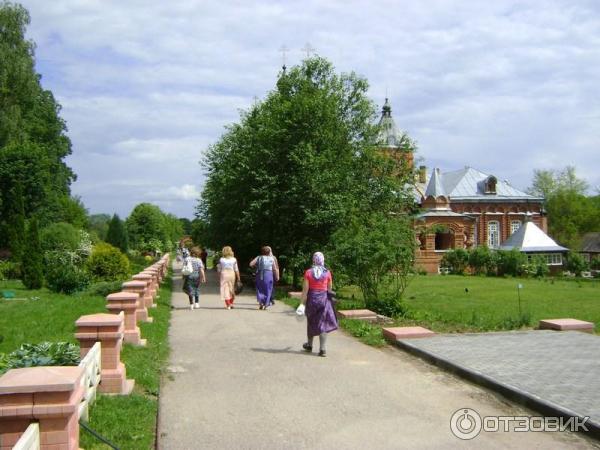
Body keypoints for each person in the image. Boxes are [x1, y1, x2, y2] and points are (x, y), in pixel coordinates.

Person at [300, 251, 338, 357]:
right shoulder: (327, 273)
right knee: (323, 324)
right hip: (324, 300)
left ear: (313, 260)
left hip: (312, 300)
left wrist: (301, 304)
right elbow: (329, 290)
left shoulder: (308, 272)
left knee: (311, 321)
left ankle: (309, 345)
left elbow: (305, 291)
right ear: (323, 260)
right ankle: (322, 349)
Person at [250, 246, 279, 310]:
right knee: (268, 289)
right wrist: (277, 276)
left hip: (260, 275)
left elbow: (251, 264)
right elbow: (274, 269)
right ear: (269, 252)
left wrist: (257, 266)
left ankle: (261, 303)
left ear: (262, 252)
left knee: (259, 288)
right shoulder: (272, 258)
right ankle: (266, 303)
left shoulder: (258, 257)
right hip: (269, 275)